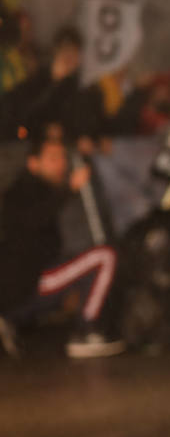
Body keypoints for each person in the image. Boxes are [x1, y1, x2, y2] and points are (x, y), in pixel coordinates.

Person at [0, 135, 123, 359]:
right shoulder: (22, 191)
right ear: (33, 163)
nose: (61, 164)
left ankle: (11, 319)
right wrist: (69, 189)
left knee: (90, 260)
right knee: (104, 256)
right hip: (27, 281)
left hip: (32, 281)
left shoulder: (44, 189)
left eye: (63, 158)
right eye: (53, 158)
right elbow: (34, 219)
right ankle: (86, 332)